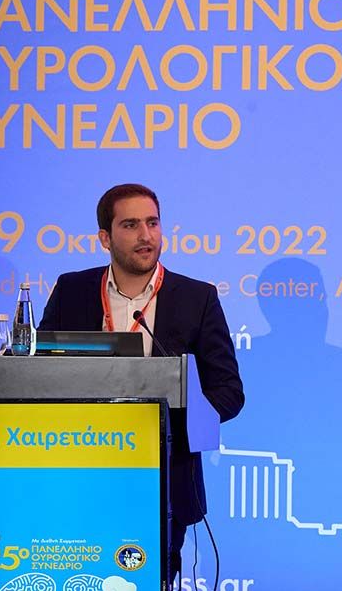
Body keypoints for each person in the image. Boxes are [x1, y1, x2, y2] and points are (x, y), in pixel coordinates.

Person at [38, 183, 244, 584]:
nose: (145, 235)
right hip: (79, 473)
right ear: (105, 237)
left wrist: (169, 426)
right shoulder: (72, 291)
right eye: (130, 225)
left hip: (164, 480)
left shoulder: (197, 298)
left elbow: (228, 392)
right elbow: (38, 370)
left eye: (152, 222)